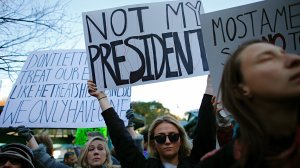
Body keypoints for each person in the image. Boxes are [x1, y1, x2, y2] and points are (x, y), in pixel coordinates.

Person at [87, 78, 217, 168]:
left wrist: (211, 85)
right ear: (153, 143)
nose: (167, 141)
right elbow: (121, 138)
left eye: (173, 136)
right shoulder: (144, 166)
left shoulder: (196, 163)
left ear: (181, 140)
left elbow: (205, 130)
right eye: (160, 138)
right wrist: (101, 97)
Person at [219, 39, 300, 167]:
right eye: (267, 59)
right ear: (241, 89)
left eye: (285, 54)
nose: (295, 59)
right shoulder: (221, 162)